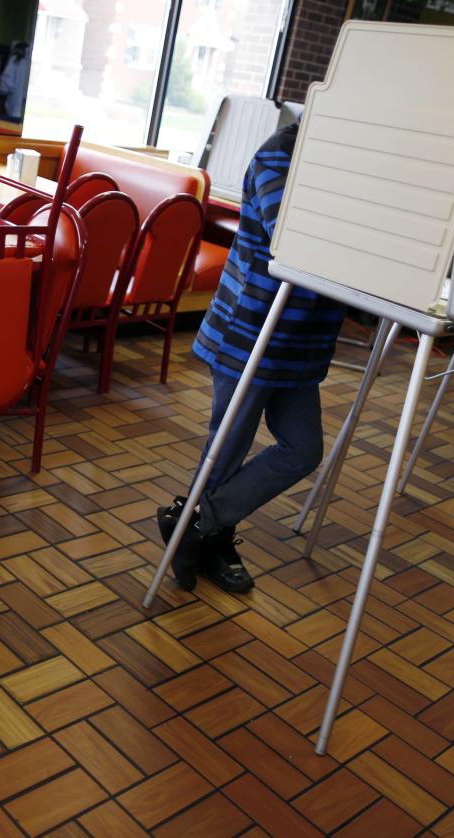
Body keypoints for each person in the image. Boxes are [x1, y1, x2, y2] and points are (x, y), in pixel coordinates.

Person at [157, 119, 347, 593]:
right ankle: (206, 533)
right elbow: (294, 237)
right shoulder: (280, 153)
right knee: (228, 448)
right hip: (250, 331)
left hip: (301, 340)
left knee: (303, 450)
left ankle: (197, 524)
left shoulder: (354, 164)